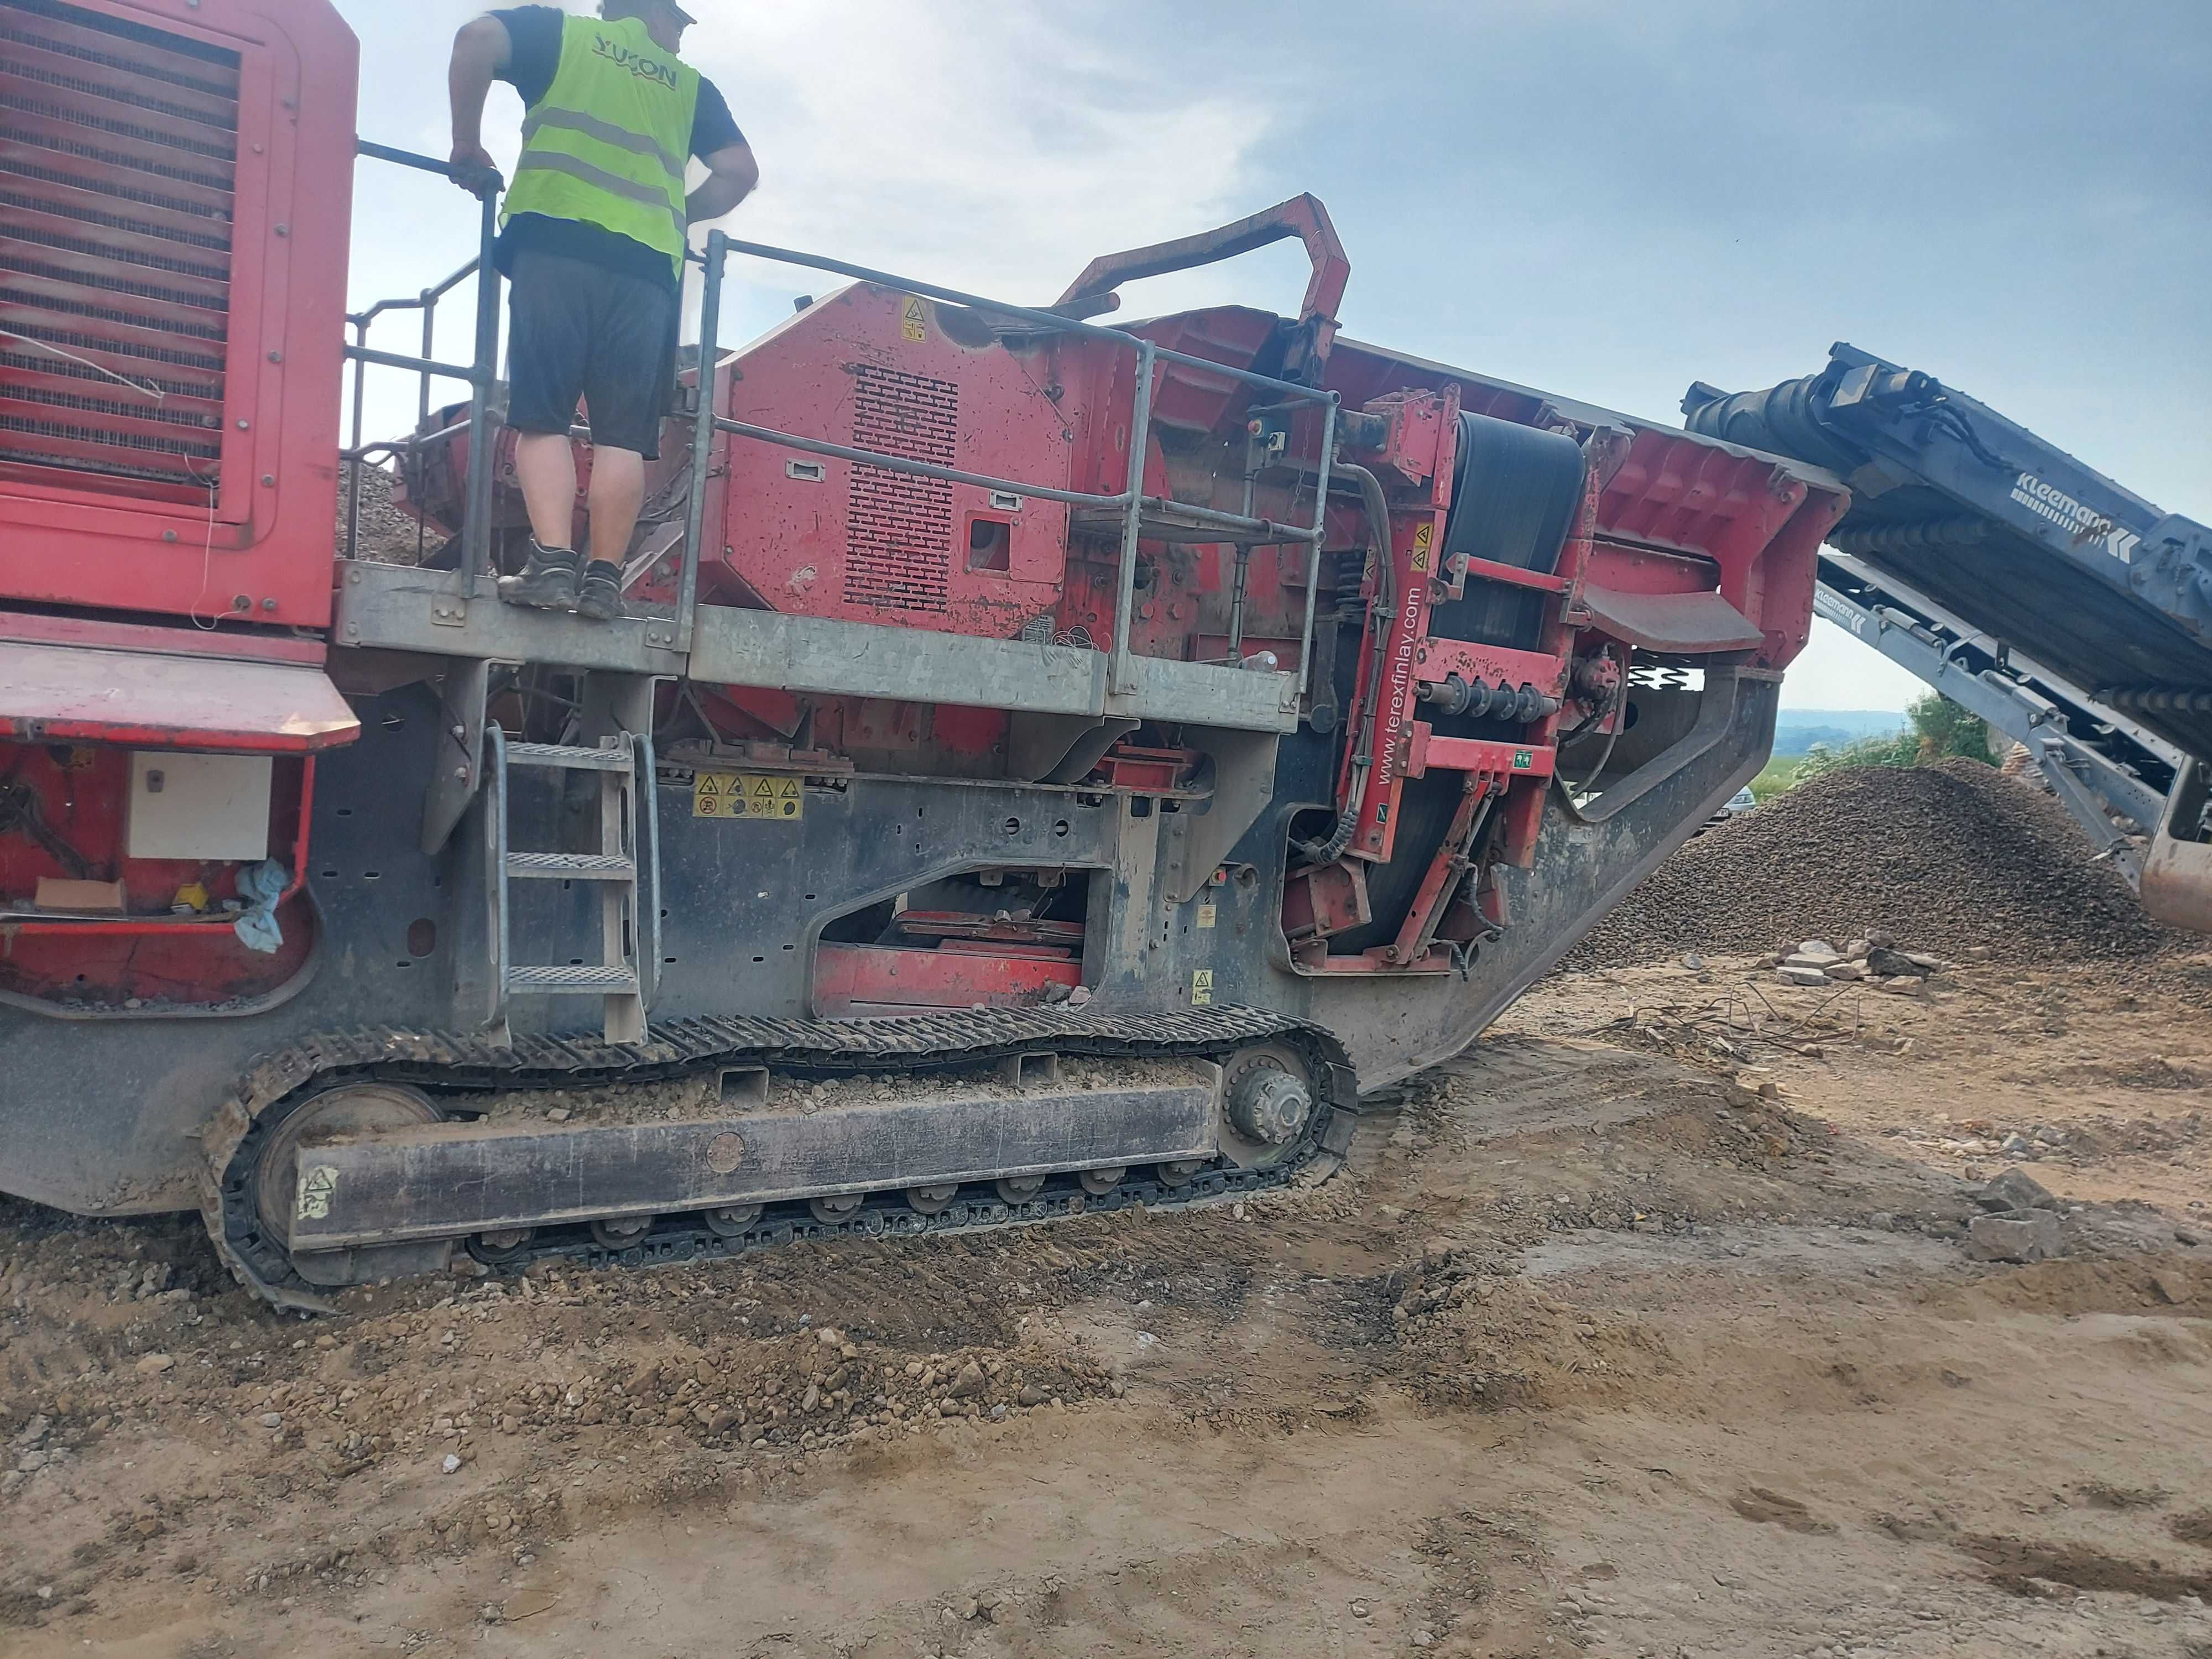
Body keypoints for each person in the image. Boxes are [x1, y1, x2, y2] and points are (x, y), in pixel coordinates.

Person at [447, 0, 758, 621]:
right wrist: (679, 214)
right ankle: (603, 583)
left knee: (544, 417)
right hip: (647, 270)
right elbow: (738, 172)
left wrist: (465, 145)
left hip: (556, 243)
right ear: (658, 17)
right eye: (681, 25)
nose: (681, 40)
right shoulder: (689, 86)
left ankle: (554, 565)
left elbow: (476, 38)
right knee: (624, 435)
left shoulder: (561, 34)